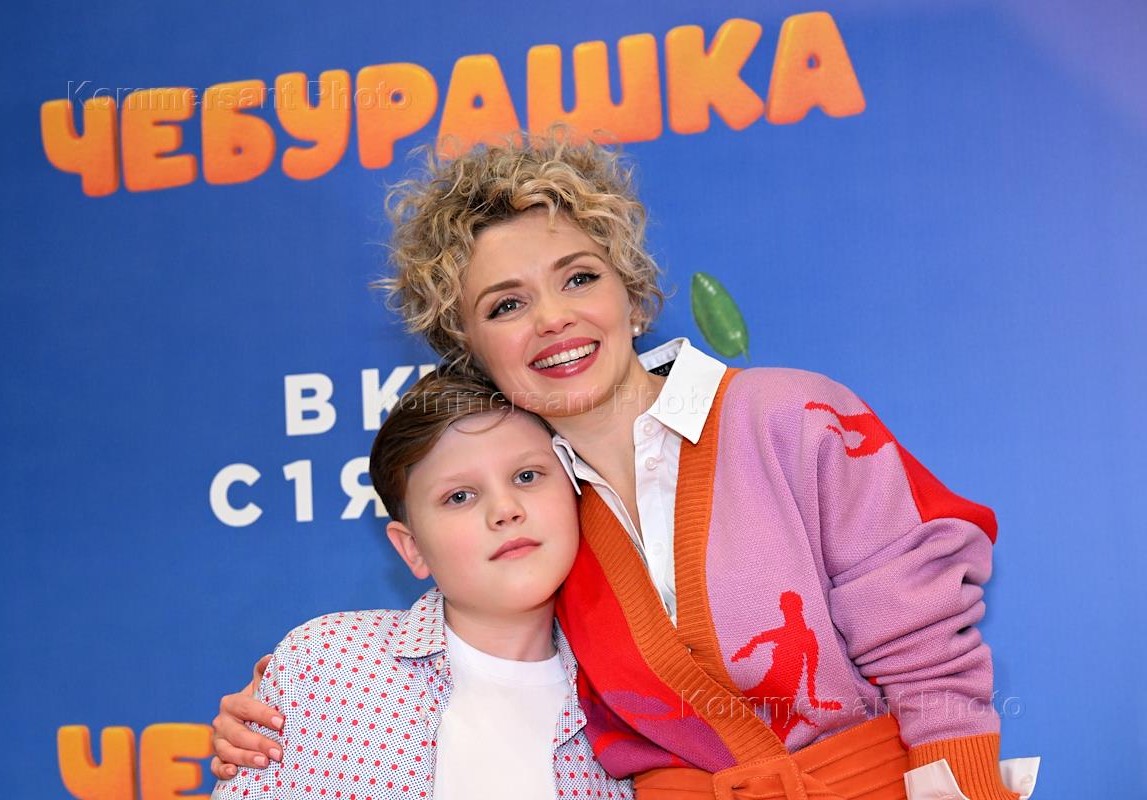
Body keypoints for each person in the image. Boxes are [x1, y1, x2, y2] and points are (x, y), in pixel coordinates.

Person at [212, 127, 1039, 799]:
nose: (553, 319)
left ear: (632, 293)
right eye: (507, 304)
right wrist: (292, 694)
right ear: (469, 349)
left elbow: (928, 659)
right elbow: (481, 648)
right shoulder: (541, 513)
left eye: (578, 278)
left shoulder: (791, 417)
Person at [212, 369, 632, 799]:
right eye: (459, 496)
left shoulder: (634, 691)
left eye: (527, 476)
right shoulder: (326, 666)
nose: (505, 509)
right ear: (412, 548)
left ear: (579, 492)